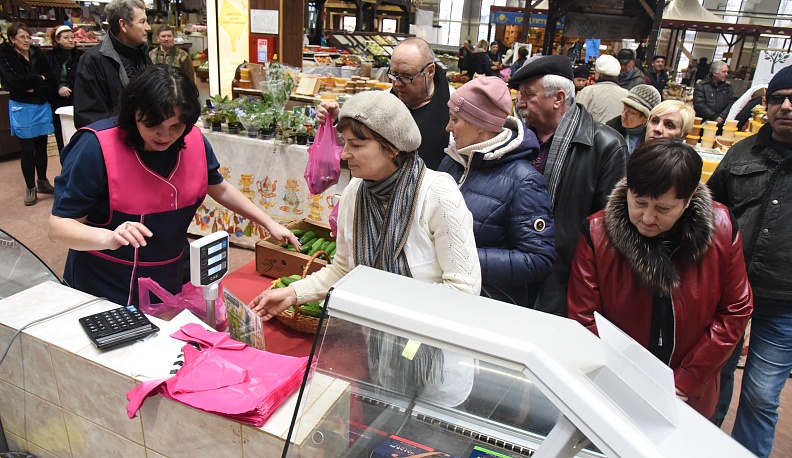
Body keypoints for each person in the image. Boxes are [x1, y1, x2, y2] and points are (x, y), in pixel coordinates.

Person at [251, 91, 481, 407]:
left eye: (357, 145)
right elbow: (346, 270)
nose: (345, 155)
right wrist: (294, 293)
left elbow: (464, 289)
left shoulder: (438, 196)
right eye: (345, 143)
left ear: (393, 148)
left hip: (436, 364)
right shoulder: (355, 194)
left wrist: (385, 303)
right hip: (380, 358)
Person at [48, 65, 299, 307]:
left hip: (168, 275)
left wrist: (268, 222)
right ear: (133, 113)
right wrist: (110, 236)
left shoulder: (194, 140)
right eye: (152, 125)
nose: (164, 136)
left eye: (176, 126)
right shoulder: (96, 147)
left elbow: (219, 187)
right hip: (104, 284)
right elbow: (59, 227)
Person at [568, 138, 753, 418]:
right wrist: (628, 381)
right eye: (639, 202)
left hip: (690, 391)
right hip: (615, 386)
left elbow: (736, 309)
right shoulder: (597, 233)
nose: (647, 217)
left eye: (663, 209)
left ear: (689, 199)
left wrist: (688, 378)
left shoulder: (722, 229)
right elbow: (584, 318)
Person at [707, 65, 792, 457]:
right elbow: (709, 208)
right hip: (728, 292)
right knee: (713, 377)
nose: (786, 106)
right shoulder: (742, 152)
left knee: (759, 394)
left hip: (784, 300)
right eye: (777, 98)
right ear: (766, 104)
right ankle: (702, 447)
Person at [507, 55, 628, 316]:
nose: (521, 103)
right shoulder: (513, 137)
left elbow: (609, 231)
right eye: (519, 94)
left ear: (558, 98)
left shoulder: (605, 146)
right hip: (511, 271)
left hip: (564, 282)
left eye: (529, 95)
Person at [438, 77, 555, 307]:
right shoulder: (453, 160)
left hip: (488, 305)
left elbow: (539, 259)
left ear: (480, 125)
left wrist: (462, 259)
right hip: (445, 294)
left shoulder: (525, 182)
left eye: (455, 120)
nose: (448, 128)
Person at [318, 37, 451, 170]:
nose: (398, 83)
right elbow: (357, 142)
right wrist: (336, 120)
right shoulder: (382, 101)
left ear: (430, 71)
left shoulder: (454, 108)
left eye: (406, 75)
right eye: (393, 74)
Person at [0, 22, 57, 206]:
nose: (26, 40)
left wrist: (36, 85)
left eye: (28, 37)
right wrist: (37, 79)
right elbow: (13, 83)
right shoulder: (5, 55)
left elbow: (51, 79)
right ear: (12, 39)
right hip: (22, 107)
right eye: (21, 37)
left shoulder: (37, 53)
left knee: (41, 146)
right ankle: (30, 186)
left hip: (41, 104)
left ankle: (42, 181)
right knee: (27, 149)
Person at [73, 0, 152, 128]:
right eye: (142, 22)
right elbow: (88, 117)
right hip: (116, 140)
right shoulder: (93, 60)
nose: (148, 27)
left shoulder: (142, 53)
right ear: (123, 25)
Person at [44, 25, 84, 154]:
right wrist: (58, 88)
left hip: (78, 100)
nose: (70, 40)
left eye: (72, 37)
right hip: (57, 101)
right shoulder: (48, 57)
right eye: (66, 38)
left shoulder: (81, 56)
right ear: (57, 40)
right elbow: (46, 78)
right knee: (62, 137)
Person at [605, 84, 661, 154]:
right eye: (624, 109)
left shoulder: (654, 139)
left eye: (631, 113)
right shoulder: (610, 129)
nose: (624, 115)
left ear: (645, 118)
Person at [576, 54, 630, 123]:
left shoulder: (588, 91)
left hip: (593, 133)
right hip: (617, 133)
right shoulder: (626, 94)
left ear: (598, 73)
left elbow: (576, 117)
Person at [693, 60, 733, 127]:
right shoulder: (702, 86)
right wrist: (714, 117)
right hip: (703, 122)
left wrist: (722, 117)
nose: (726, 74)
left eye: (727, 72)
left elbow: (730, 103)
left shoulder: (728, 87)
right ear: (715, 73)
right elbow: (699, 104)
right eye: (724, 72)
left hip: (721, 123)